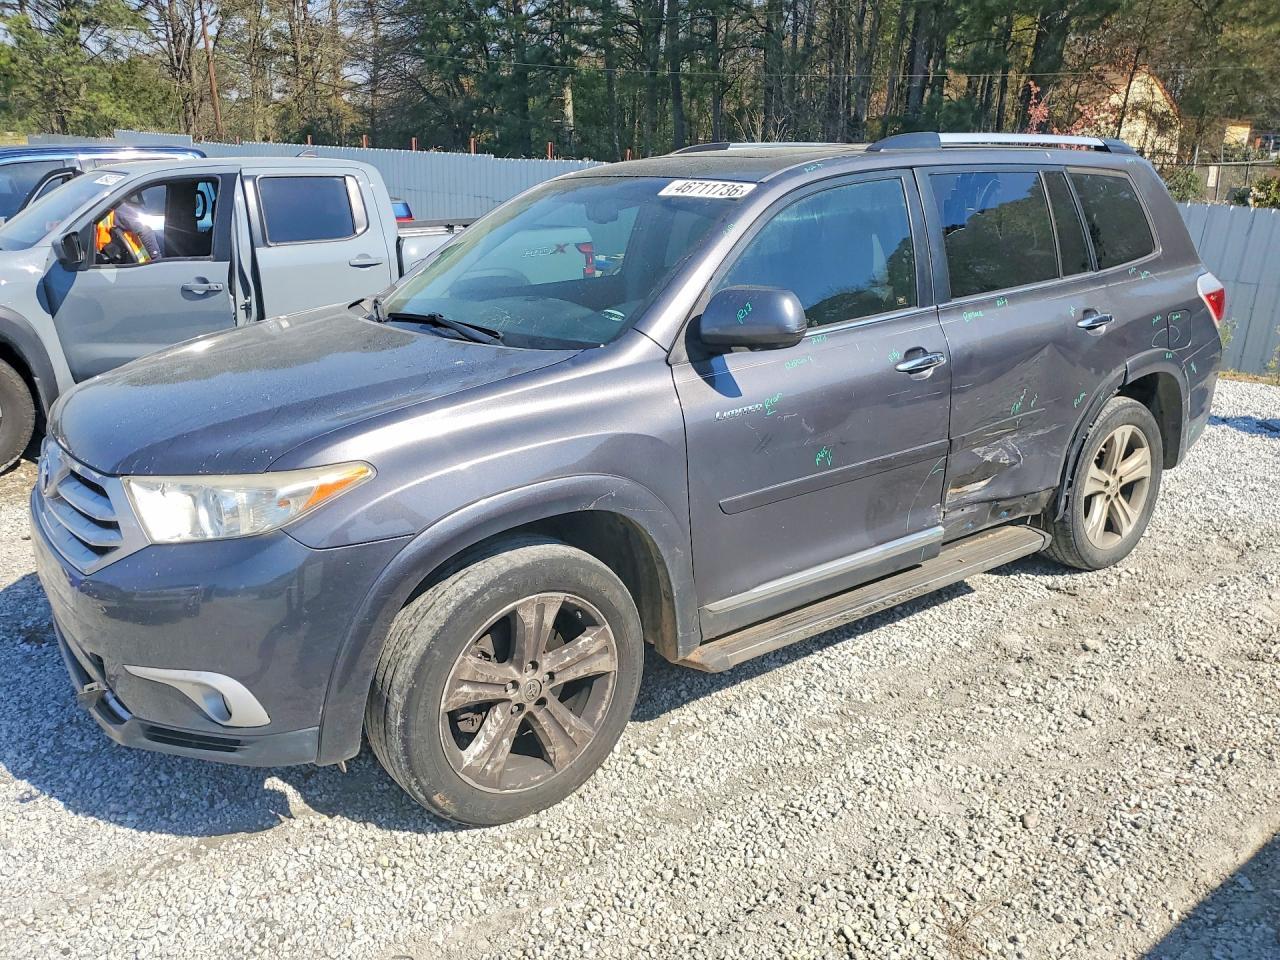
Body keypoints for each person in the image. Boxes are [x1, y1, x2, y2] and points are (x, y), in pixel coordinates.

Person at [96, 194, 161, 263]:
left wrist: (156, 260)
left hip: (138, 264)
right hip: (111, 258)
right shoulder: (94, 212)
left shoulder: (118, 209)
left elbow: (145, 230)